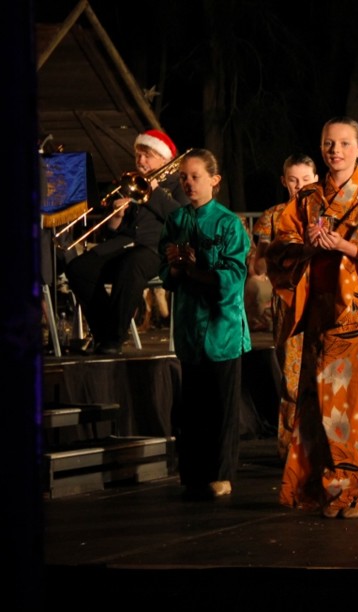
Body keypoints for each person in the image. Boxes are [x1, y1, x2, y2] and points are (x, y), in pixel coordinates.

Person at [266, 117, 358, 518]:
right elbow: (279, 247)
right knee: (318, 405)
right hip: (319, 312)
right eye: (328, 143)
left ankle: (357, 491)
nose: (334, 150)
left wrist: (342, 244)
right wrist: (304, 247)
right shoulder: (307, 199)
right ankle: (324, 487)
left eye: (343, 143)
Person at [158, 148, 251, 499]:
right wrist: (174, 265)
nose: (188, 183)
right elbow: (165, 271)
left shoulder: (228, 223)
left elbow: (233, 277)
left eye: (196, 176)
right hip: (189, 326)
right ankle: (193, 470)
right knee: (192, 405)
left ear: (214, 180)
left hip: (221, 328)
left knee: (222, 406)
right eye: (184, 177)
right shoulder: (176, 220)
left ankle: (221, 473)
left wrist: (195, 269)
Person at [65, 129, 188, 355]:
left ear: (163, 158)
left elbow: (181, 219)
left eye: (147, 154)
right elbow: (117, 232)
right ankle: (105, 333)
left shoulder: (177, 183)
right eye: (138, 155)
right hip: (125, 245)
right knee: (78, 269)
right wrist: (117, 218)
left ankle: (112, 340)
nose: (141, 160)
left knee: (130, 265)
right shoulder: (133, 182)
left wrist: (155, 192)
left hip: (156, 248)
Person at [250, 154, 319, 458]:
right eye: (293, 180)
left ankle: (323, 445)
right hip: (288, 302)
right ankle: (291, 448)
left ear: (316, 179)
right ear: (283, 182)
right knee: (291, 374)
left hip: (322, 299)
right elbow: (260, 264)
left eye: (305, 179)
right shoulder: (273, 216)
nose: (298, 186)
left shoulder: (327, 212)